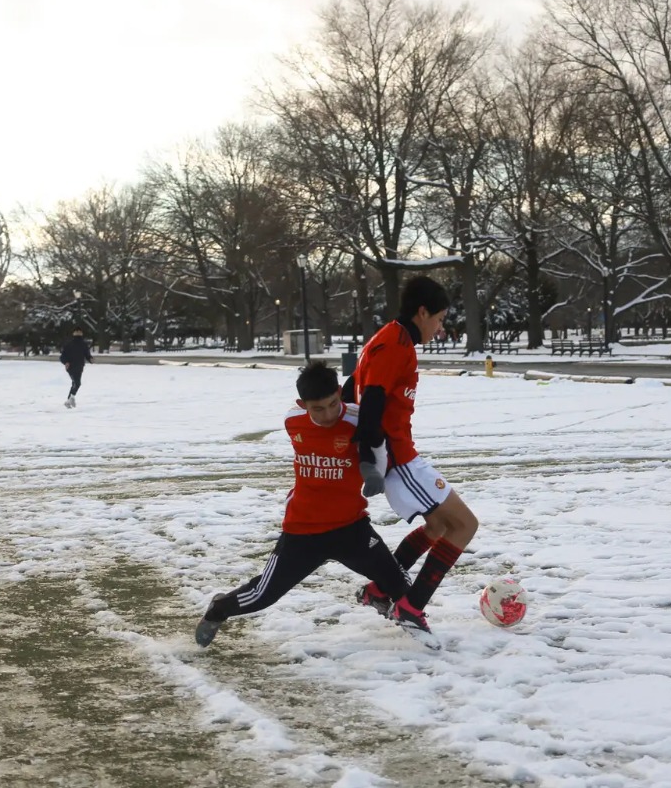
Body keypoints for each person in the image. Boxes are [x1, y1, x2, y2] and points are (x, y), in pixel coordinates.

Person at [195, 361, 425, 648]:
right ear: (302, 404)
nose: (328, 414)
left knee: (402, 586)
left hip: (351, 528)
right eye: (318, 409)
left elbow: (380, 451)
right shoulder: (293, 421)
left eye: (332, 404)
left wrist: (374, 472)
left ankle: (420, 639)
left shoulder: (358, 420)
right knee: (262, 596)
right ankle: (219, 609)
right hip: (302, 530)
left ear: (340, 393)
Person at [342, 275, 479, 630]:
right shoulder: (394, 345)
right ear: (421, 312)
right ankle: (411, 607)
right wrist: (369, 461)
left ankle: (380, 591)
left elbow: (350, 389)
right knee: (464, 525)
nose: (441, 327)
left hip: (400, 456)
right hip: (400, 460)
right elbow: (369, 402)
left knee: (437, 526)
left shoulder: (388, 338)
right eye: (439, 319)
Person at [59, 326, 93, 408]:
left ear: (82, 333)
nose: (78, 333)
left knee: (75, 383)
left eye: (79, 331)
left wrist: (90, 359)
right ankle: (71, 398)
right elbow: (62, 356)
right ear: (73, 333)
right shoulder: (69, 344)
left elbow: (87, 354)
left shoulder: (84, 344)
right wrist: (66, 362)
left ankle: (69, 400)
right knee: (77, 383)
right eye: (76, 331)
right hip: (71, 366)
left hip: (80, 365)